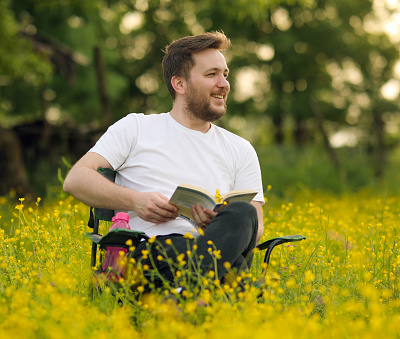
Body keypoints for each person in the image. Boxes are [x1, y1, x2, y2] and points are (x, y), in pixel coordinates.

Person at [63, 31, 264, 288]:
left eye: (225, 74)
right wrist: (135, 201)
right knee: (231, 276)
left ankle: (186, 294)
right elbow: (76, 179)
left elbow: (255, 229)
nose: (224, 84)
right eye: (211, 74)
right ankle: (203, 294)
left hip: (214, 253)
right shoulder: (136, 128)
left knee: (243, 212)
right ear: (179, 84)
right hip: (154, 255)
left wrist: (220, 225)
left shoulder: (241, 149)